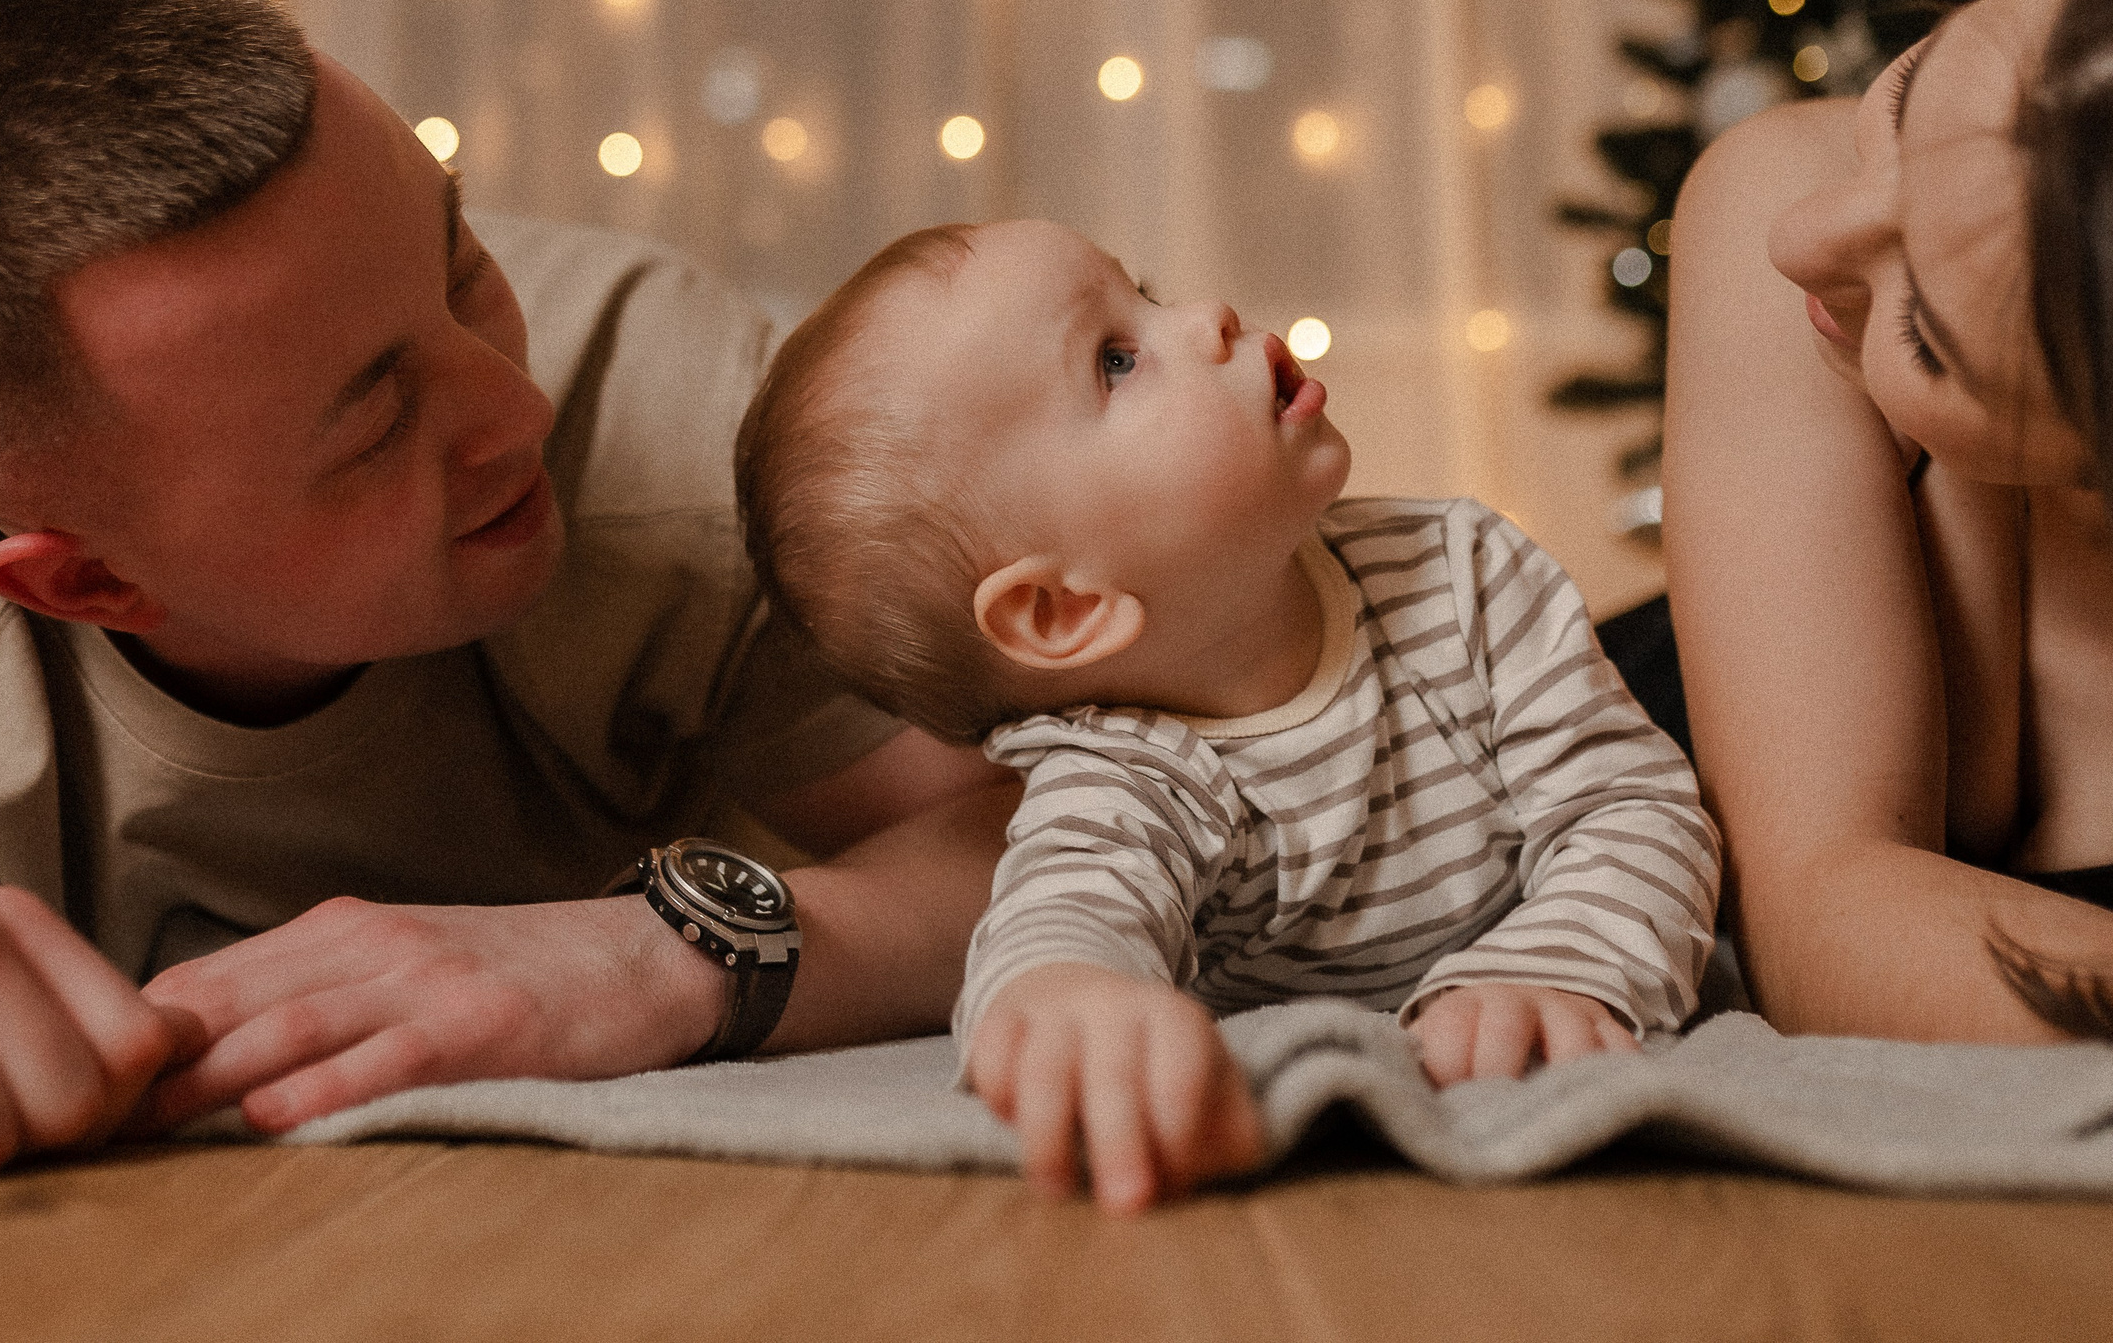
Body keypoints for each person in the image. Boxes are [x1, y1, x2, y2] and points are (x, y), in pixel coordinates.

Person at [0, 0, 1013, 1190]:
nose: (516, 410)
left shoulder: (662, 409)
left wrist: (663, 955)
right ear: (90, 582)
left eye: (459, 255)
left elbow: (1095, 827)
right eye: (373, 423)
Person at [733, 217, 1720, 1212]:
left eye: (1148, 294)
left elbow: (1630, 804)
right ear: (1061, 610)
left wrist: (1558, 970)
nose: (1205, 318)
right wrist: (1071, 1001)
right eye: (1118, 360)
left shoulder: (1462, 576)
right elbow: (1068, 912)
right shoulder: (1121, 769)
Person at [1664, 0, 2113, 1045]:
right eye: (1908, 97)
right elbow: (1817, 919)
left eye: (1927, 336)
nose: (1802, 241)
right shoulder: (1774, 189)